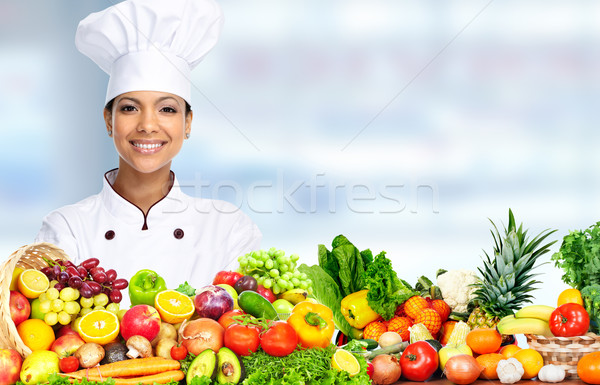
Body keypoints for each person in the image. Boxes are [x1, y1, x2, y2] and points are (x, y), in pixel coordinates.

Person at [34, 0, 262, 291]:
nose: (148, 124)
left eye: (167, 109)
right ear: (108, 120)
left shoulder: (229, 228)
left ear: (188, 123)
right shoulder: (66, 228)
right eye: (130, 108)